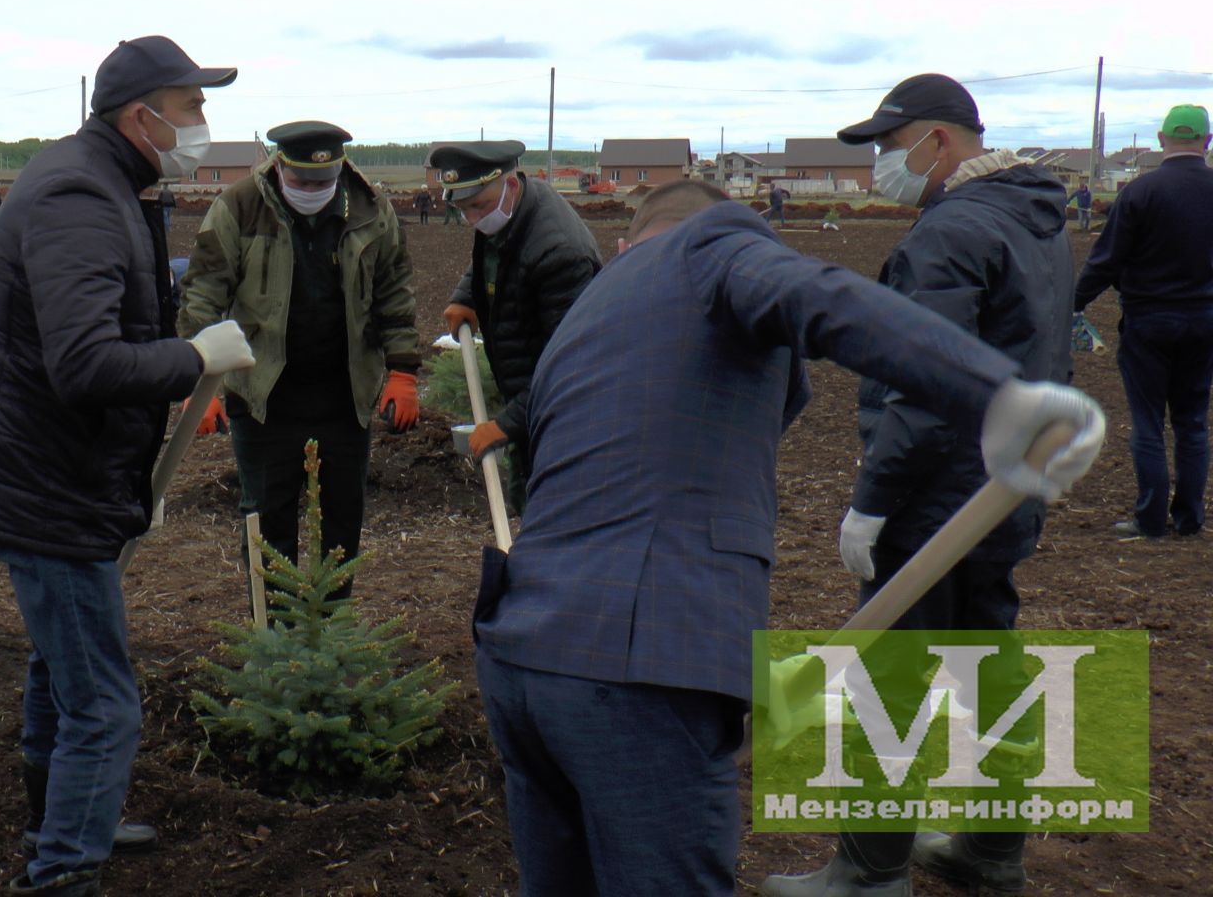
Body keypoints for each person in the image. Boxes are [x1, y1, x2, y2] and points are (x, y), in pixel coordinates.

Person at [472, 181, 1105, 897]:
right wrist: (997, 394)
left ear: (626, 243)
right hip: (637, 671)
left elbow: (638, 478)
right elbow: (823, 298)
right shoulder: (713, 245)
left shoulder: (592, 309)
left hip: (519, 657)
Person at [0, 35, 253, 897]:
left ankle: (61, 820)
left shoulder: (105, 181)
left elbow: (107, 300)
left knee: (62, 669)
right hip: (48, 487)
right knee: (105, 706)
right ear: (141, 116)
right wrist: (194, 358)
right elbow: (83, 365)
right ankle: (64, 872)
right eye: (193, 106)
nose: (203, 122)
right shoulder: (82, 194)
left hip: (66, 478)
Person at [763, 72, 1078, 896]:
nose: (879, 166)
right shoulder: (1035, 219)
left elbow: (933, 385)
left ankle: (869, 873)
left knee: (886, 683)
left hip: (936, 502)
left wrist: (874, 501)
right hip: (1003, 491)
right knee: (988, 666)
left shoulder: (948, 236)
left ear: (937, 141)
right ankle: (990, 851)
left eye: (887, 146)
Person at [179, 120, 420, 589]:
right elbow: (203, 293)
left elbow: (395, 290)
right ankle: (271, 642)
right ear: (279, 165)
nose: (313, 190)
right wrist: (199, 377)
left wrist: (403, 371)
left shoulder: (370, 209)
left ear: (340, 169)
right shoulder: (240, 207)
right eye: (302, 181)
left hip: (345, 396)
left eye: (323, 182)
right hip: (263, 397)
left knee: (343, 525)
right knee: (268, 526)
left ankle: (331, 635)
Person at [434, 141, 601, 515]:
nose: (473, 219)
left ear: (509, 185)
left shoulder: (560, 253)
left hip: (565, 423)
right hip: (531, 404)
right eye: (463, 210)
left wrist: (505, 425)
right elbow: (495, 253)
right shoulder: (512, 208)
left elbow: (569, 368)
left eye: (477, 206)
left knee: (553, 518)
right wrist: (467, 296)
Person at [1074, 103, 1213, 540]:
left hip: (1148, 321)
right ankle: (1189, 518)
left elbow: (1106, 261)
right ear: (1207, 141)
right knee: (1192, 423)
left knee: (1149, 422)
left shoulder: (1139, 193)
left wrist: (1071, 304)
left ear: (1160, 139)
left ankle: (1150, 519)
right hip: (1205, 321)